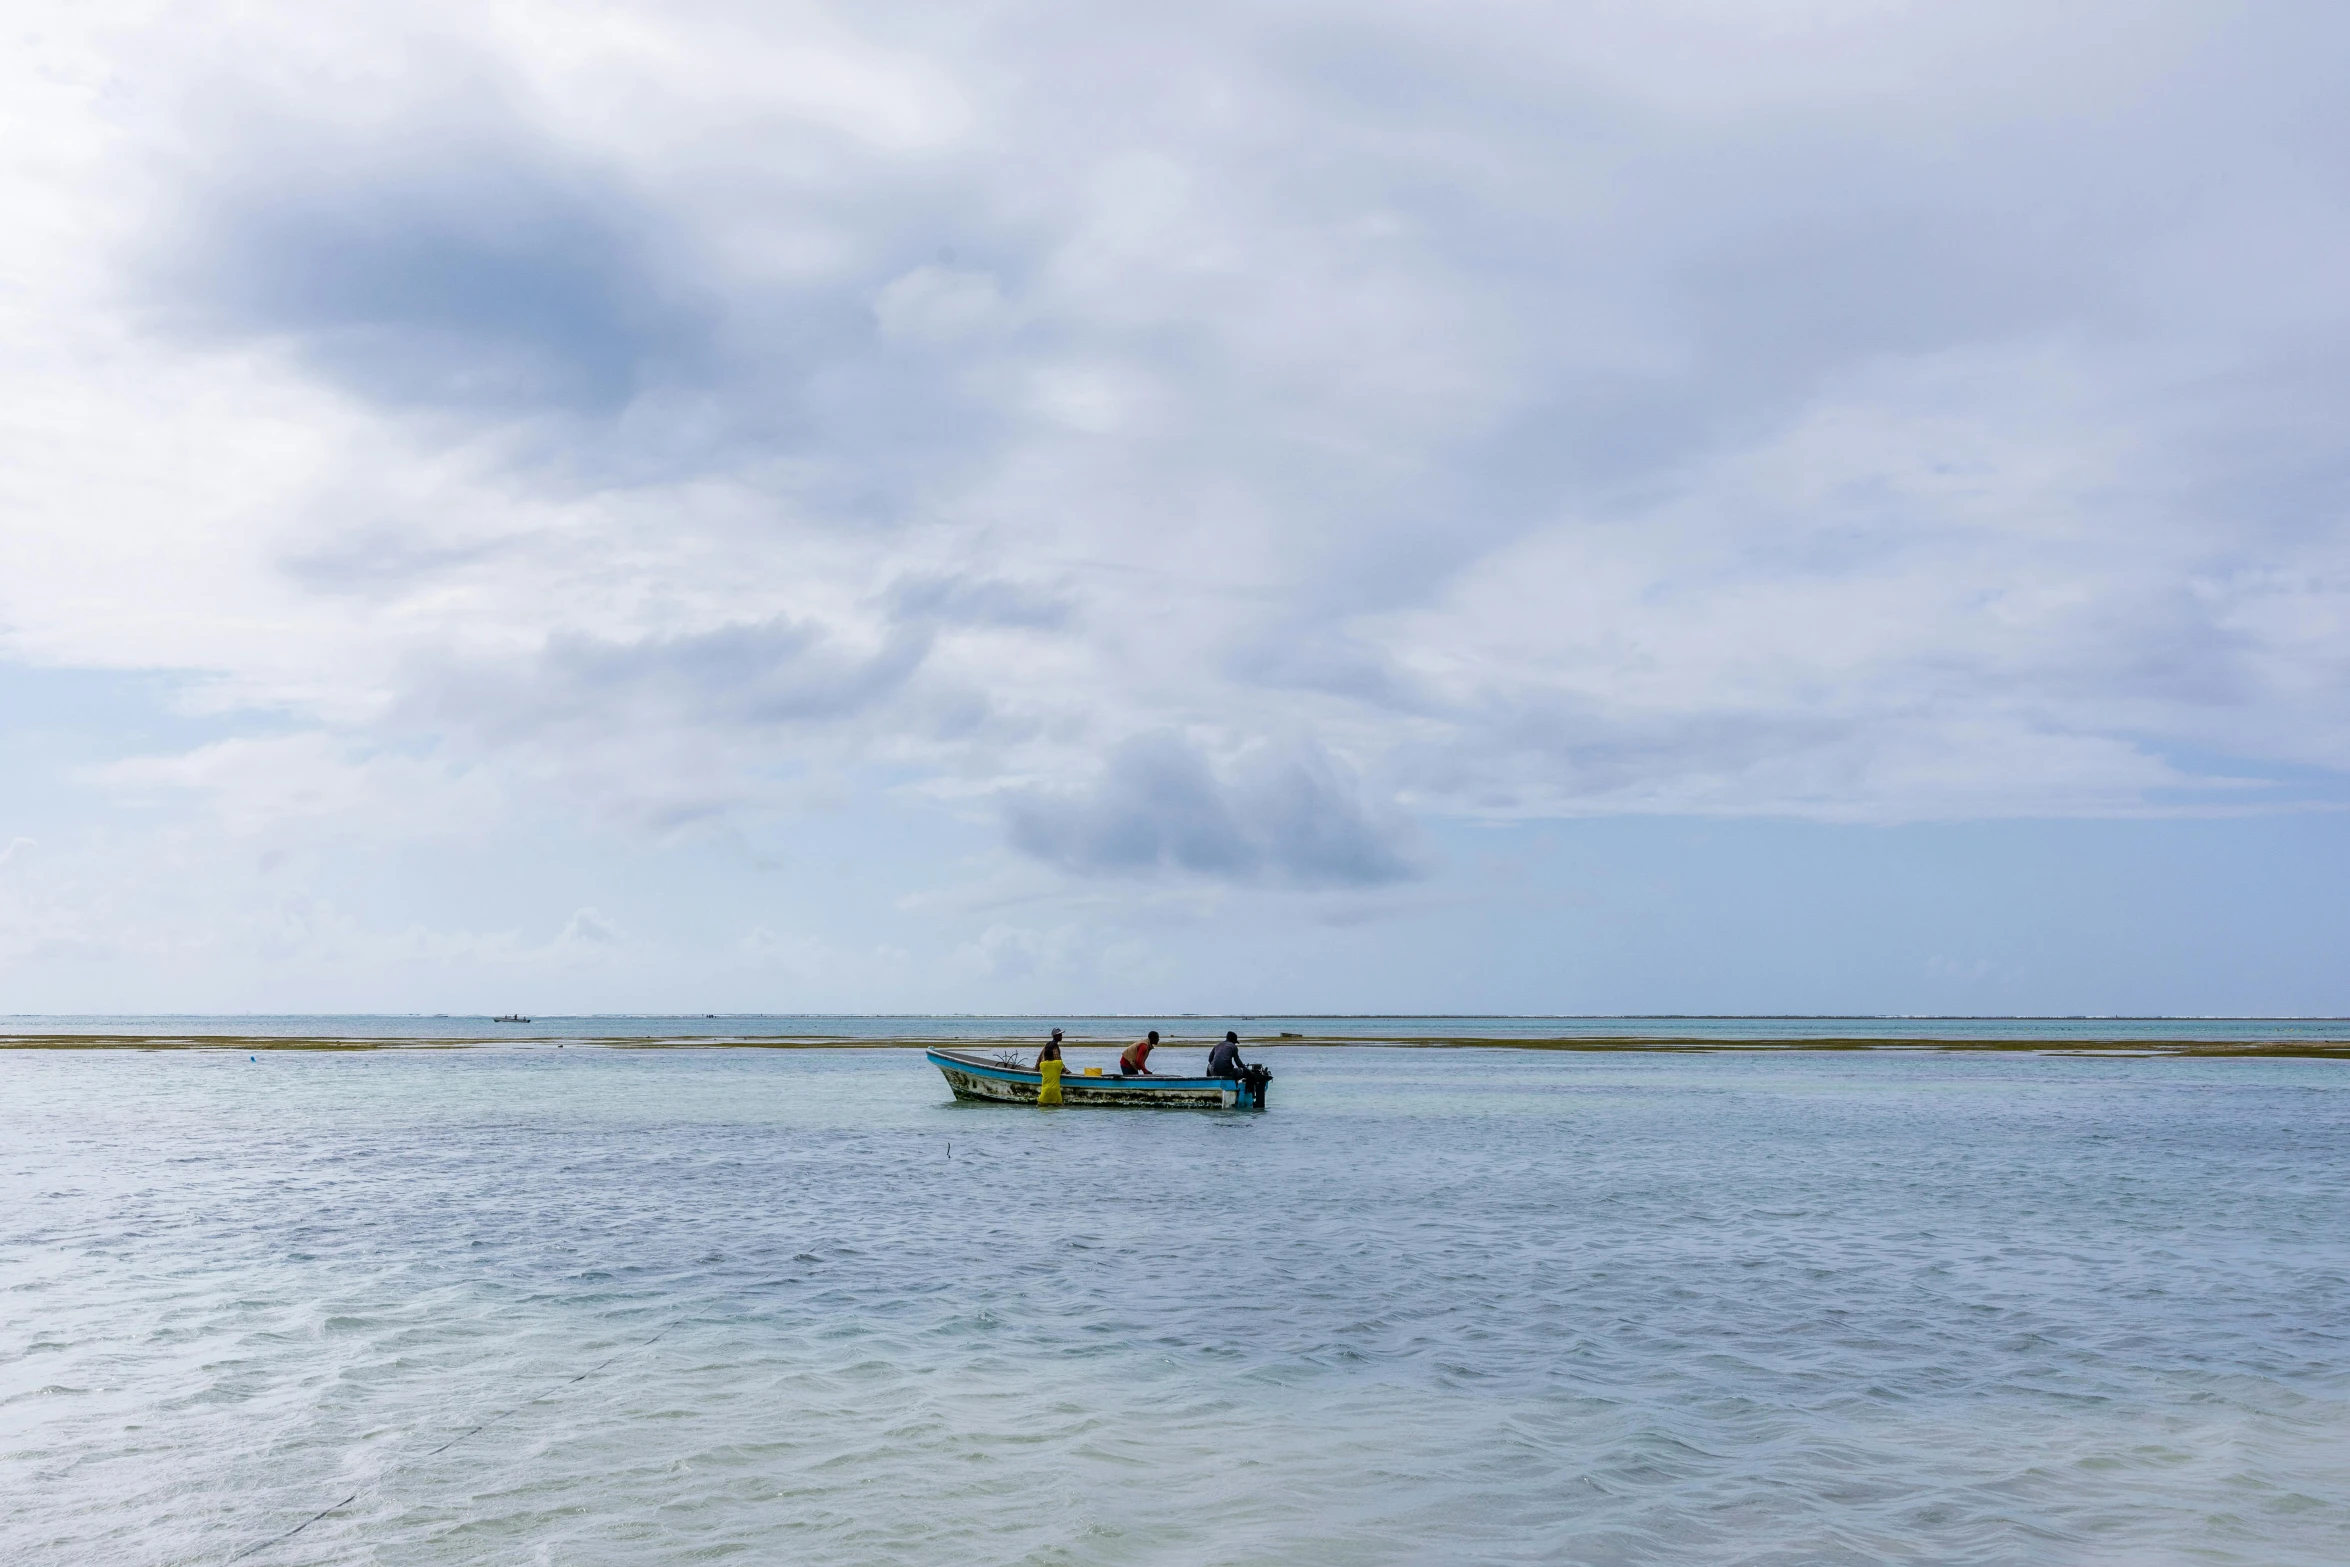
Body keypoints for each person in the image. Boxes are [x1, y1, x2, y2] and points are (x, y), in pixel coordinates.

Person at [1036, 1028, 1067, 1106]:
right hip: (1049, 1072)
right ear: (1055, 1036)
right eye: (1059, 1035)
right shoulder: (1054, 1047)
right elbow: (1058, 1061)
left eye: (1061, 1034)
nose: (1061, 1036)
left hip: (1043, 1070)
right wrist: (1066, 1071)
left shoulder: (1048, 1044)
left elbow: (1039, 1057)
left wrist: (1036, 1068)